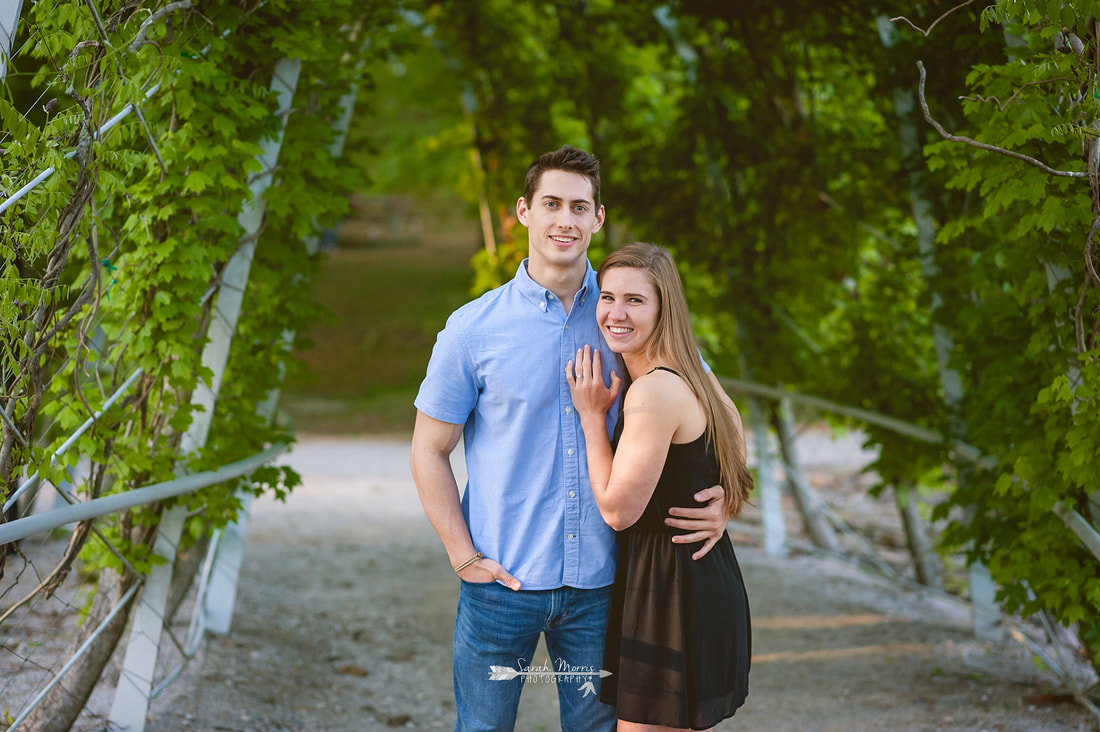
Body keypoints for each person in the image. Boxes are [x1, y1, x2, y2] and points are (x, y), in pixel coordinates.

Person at [410, 146, 736, 732]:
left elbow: (718, 410)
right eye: (552, 203)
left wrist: (728, 498)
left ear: (598, 218)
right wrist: (463, 556)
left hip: (606, 586)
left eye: (579, 206)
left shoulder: (627, 311)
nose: (565, 219)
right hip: (500, 585)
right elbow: (428, 450)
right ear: (524, 212)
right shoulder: (471, 329)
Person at [566, 242, 753, 731]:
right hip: (691, 577)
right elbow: (734, 431)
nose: (615, 313)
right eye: (607, 297)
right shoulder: (688, 366)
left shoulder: (652, 390)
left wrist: (590, 417)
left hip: (672, 593)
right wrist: (725, 499)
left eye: (635, 300)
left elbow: (617, 511)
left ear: (662, 308)